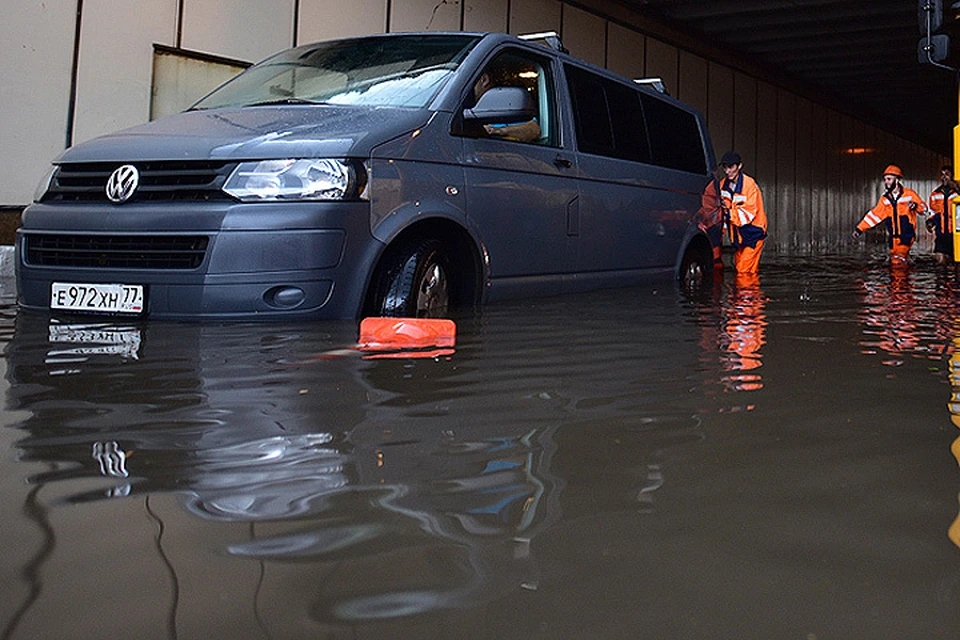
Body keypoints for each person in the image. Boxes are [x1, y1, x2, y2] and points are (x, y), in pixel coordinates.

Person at [852, 164, 926, 265]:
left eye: (889, 179)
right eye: (885, 179)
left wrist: (916, 206)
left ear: (897, 180)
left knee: (897, 261)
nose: (886, 182)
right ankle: (906, 277)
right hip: (893, 237)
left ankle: (901, 278)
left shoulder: (910, 194)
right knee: (895, 261)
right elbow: (874, 216)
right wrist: (859, 229)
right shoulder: (885, 199)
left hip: (906, 235)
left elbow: (924, 209)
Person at [719, 151, 767, 274]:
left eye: (731, 167)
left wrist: (729, 212)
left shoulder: (749, 185)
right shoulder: (722, 185)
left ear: (739, 166)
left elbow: (748, 214)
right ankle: (751, 293)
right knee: (747, 271)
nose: (727, 171)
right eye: (725, 167)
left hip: (753, 233)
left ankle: (745, 292)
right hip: (738, 236)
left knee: (742, 270)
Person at [471, 70, 541, 143]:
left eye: (470, 81)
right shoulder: (467, 108)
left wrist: (499, 131)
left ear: (484, 79)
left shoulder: (511, 103)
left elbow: (534, 130)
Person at [926, 165, 959, 264]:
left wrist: (956, 187)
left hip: (954, 235)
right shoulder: (935, 194)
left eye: (947, 174)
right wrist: (930, 222)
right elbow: (933, 212)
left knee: (954, 263)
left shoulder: (957, 193)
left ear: (953, 176)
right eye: (942, 174)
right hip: (941, 234)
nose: (944, 177)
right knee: (940, 261)